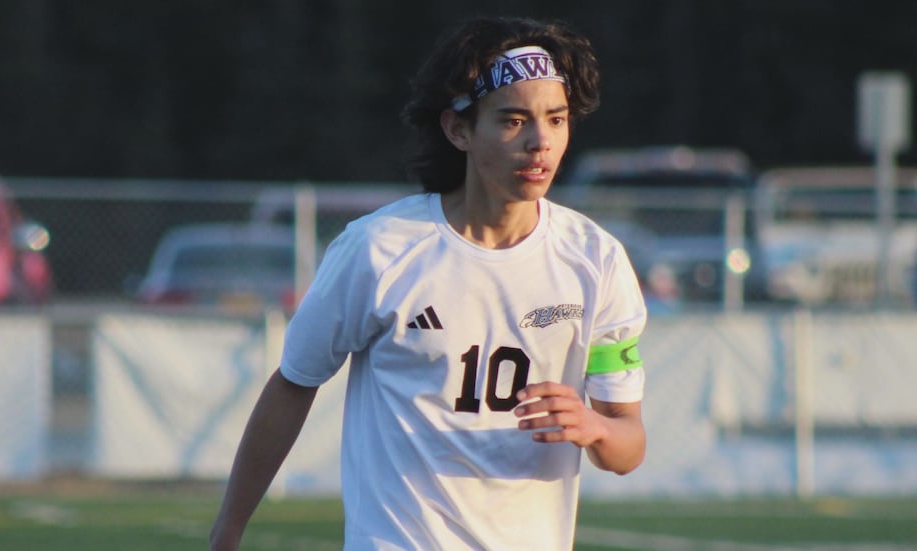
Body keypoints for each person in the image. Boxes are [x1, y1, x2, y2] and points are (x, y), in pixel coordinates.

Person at [210, 15, 647, 550]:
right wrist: (228, 530)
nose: (540, 141)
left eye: (556, 119)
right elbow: (293, 383)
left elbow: (627, 443)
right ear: (459, 129)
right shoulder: (380, 248)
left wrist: (596, 428)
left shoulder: (596, 261)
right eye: (513, 120)